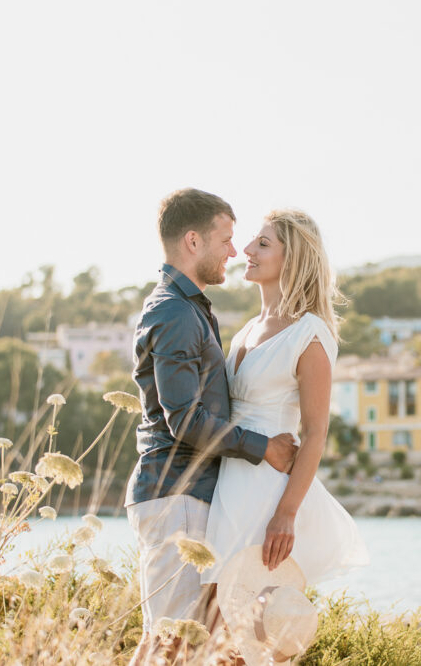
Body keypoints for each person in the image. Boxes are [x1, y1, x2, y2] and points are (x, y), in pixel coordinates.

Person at [125, 188, 299, 665]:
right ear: (194, 241)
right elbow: (185, 422)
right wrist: (263, 447)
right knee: (171, 643)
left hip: (186, 493)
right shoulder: (176, 312)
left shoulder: (189, 308)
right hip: (175, 491)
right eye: (225, 239)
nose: (233, 250)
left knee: (175, 641)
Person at [202, 209, 369, 659]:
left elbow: (315, 433)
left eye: (262, 243)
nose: (247, 252)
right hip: (229, 485)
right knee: (216, 619)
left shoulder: (309, 334)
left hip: (266, 491)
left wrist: (287, 514)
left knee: (249, 625)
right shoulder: (246, 332)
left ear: (291, 259)